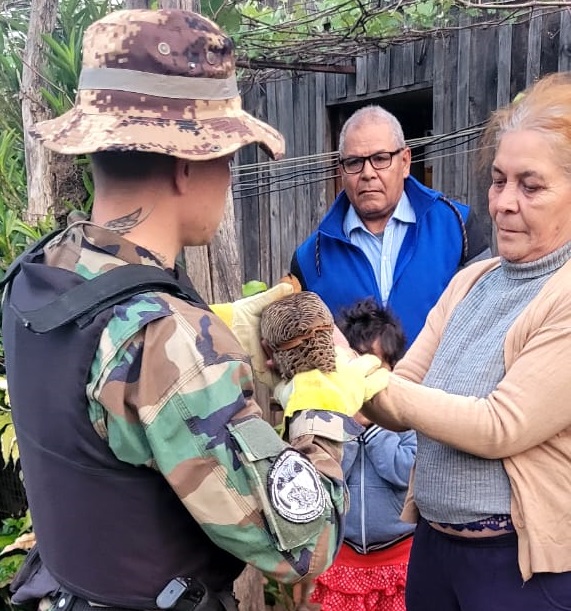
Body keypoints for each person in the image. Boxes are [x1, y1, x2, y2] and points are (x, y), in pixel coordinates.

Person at [1, 9, 384, 611]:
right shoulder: (165, 339)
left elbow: (101, 394)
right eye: (229, 158)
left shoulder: (41, 275)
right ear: (189, 163)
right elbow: (305, 545)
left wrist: (218, 331)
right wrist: (321, 400)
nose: (230, 178)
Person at [360, 72, 571, 610]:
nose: (502, 202)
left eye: (532, 185)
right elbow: (397, 393)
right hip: (433, 550)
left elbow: (501, 425)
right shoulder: (472, 280)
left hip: (517, 569)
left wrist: (353, 374)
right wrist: (334, 368)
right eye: (499, 180)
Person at [291, 105, 491, 346]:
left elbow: (488, 318)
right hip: (356, 384)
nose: (367, 173)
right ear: (341, 171)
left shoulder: (457, 227)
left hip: (437, 383)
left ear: (405, 161)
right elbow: (303, 344)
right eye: (354, 162)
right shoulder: (311, 259)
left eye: (380, 159)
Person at [309, 298, 416, 611]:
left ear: (392, 369)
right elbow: (328, 473)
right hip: (346, 556)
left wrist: (375, 427)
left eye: (372, 364)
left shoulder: (407, 417)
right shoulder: (329, 414)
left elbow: (404, 471)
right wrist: (349, 426)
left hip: (400, 556)